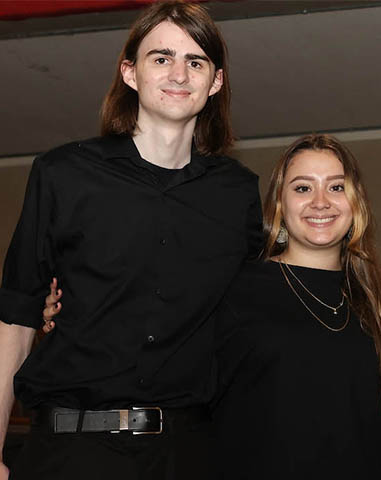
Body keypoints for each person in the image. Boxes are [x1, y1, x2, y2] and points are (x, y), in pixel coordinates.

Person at [0, 3, 262, 479]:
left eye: (196, 61)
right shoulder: (63, 174)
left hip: (190, 453)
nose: (179, 73)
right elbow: (15, 320)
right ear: (130, 72)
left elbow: (257, 306)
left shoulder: (237, 193)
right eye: (161, 58)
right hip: (71, 451)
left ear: (216, 81)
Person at [211, 134, 381, 479]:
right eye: (303, 188)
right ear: (279, 203)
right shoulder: (236, 288)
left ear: (356, 203)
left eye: (336, 188)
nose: (321, 202)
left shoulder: (376, 298)